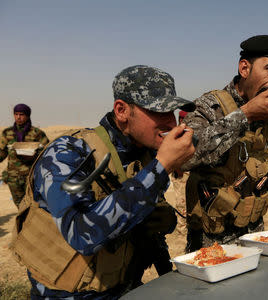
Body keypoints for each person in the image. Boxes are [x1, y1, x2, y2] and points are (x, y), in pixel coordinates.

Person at [10, 65, 196, 299]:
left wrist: (163, 219)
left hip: (126, 287)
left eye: (172, 112)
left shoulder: (144, 153)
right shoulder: (68, 153)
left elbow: (137, 219)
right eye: (159, 112)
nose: (171, 122)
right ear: (121, 110)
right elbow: (80, 233)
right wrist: (160, 167)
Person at [182, 35, 268, 252]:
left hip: (254, 235)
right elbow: (185, 156)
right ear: (244, 69)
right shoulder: (211, 106)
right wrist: (244, 115)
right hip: (211, 244)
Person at [0, 103, 49, 208]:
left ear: (27, 116)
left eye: (21, 114)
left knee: (32, 204)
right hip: (13, 177)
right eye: (16, 114)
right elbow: (2, 153)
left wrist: (34, 155)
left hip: (31, 175)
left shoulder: (37, 133)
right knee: (19, 205)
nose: (18, 117)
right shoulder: (7, 133)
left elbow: (47, 153)